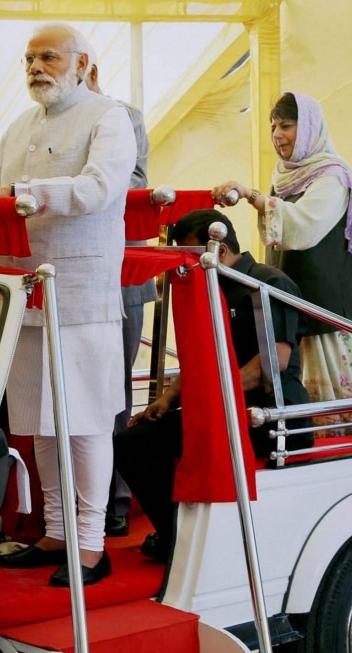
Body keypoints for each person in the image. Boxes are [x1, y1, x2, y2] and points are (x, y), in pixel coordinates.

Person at [0, 22, 135, 587]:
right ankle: (58, 532)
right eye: (29, 59)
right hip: (24, 293)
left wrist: (17, 196)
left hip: (81, 296)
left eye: (49, 57)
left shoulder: (108, 117)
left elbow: (96, 191)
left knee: (84, 422)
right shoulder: (20, 125)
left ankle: (91, 545)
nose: (36, 68)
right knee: (40, 422)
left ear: (84, 64)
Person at [114, 209, 313, 563]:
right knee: (133, 443)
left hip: (269, 416)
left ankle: (198, 544)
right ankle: (176, 536)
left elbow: (275, 360)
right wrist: (171, 397)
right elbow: (205, 359)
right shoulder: (204, 287)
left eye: (191, 256)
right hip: (219, 408)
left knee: (191, 436)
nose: (187, 265)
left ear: (218, 250)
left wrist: (209, 397)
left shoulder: (268, 281)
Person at [211, 92, 352, 419]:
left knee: (331, 410)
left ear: (310, 128)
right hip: (291, 310)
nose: (277, 135)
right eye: (273, 127)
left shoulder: (332, 176)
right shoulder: (283, 176)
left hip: (325, 311)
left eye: (286, 125)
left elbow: (303, 226)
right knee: (294, 402)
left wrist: (251, 195)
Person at [86, 51, 151, 538]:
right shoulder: (36, 126)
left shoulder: (124, 117)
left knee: (117, 391)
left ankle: (117, 499)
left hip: (121, 271)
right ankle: (74, 503)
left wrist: (73, 187)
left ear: (87, 70)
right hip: (66, 279)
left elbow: (134, 181)